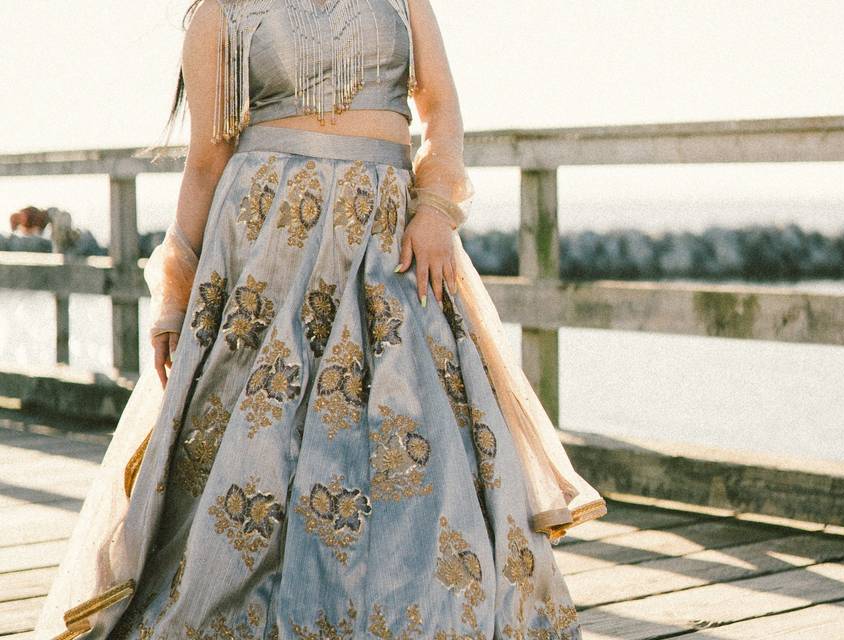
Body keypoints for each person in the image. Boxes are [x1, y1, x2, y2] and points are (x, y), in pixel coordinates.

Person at [33, 1, 606, 638]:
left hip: (389, 244)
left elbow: (440, 106)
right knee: (259, 443)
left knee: (412, 432)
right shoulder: (223, 11)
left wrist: (438, 209)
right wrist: (176, 290)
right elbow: (205, 161)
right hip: (267, 248)